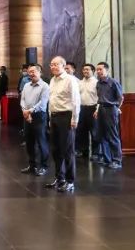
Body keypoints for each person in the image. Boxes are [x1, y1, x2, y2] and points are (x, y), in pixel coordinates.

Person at [47, 56, 81, 192]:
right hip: (54, 116)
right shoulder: (52, 80)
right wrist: (50, 118)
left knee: (67, 150)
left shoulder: (70, 80)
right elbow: (51, 100)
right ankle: (59, 178)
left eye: (56, 64)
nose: (53, 67)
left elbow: (76, 101)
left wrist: (75, 119)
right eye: (51, 65)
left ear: (63, 65)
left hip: (66, 117)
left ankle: (70, 181)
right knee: (56, 150)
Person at [20, 65, 50, 176]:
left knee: (41, 142)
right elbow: (22, 100)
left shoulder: (45, 86)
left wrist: (30, 111)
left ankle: (44, 166)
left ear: (39, 72)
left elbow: (43, 102)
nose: (31, 74)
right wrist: (25, 110)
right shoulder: (26, 85)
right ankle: (32, 165)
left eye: (33, 71)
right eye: (29, 72)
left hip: (39, 116)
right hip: (27, 115)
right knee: (29, 142)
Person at [94, 62, 124, 169]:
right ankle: (107, 159)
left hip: (111, 109)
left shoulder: (113, 82)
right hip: (101, 109)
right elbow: (99, 98)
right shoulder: (98, 83)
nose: (98, 71)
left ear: (107, 70)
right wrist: (97, 110)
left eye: (100, 69)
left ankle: (117, 160)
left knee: (112, 135)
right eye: (97, 70)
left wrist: (116, 108)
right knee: (101, 135)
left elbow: (120, 98)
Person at [75, 63, 98, 159]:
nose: (85, 71)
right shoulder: (79, 83)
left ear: (93, 71)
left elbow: (99, 97)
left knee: (95, 132)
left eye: (87, 69)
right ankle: (83, 151)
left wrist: (97, 109)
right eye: (84, 69)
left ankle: (96, 153)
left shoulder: (96, 83)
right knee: (81, 131)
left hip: (93, 108)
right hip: (81, 109)